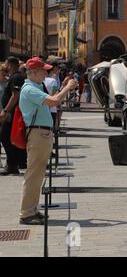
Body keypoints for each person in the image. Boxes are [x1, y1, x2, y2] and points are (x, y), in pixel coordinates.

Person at [19, 57, 77, 225]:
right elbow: (55, 101)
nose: (46, 73)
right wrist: (67, 87)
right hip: (38, 134)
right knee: (33, 175)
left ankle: (32, 209)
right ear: (34, 72)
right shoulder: (29, 89)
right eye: (43, 70)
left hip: (41, 134)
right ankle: (26, 213)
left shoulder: (35, 86)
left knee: (38, 175)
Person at [0, 57, 27, 175]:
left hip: (12, 113)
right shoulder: (15, 77)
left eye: (6, 64)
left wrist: (5, 111)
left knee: (6, 138)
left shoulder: (16, 77)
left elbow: (15, 95)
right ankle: (12, 164)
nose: (5, 66)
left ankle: (12, 165)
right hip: (12, 113)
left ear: (11, 64)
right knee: (8, 138)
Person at [0, 64, 9, 168]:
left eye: (4, 71)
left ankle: (9, 160)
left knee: (5, 139)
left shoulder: (7, 82)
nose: (3, 72)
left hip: (5, 113)